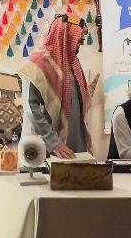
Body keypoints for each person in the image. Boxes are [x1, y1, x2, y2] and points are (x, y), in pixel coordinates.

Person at [18, 14, 92, 159]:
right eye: (78, 41)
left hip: (73, 143)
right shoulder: (37, 64)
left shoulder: (74, 65)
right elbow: (31, 109)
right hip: (42, 146)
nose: (78, 46)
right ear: (65, 37)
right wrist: (53, 142)